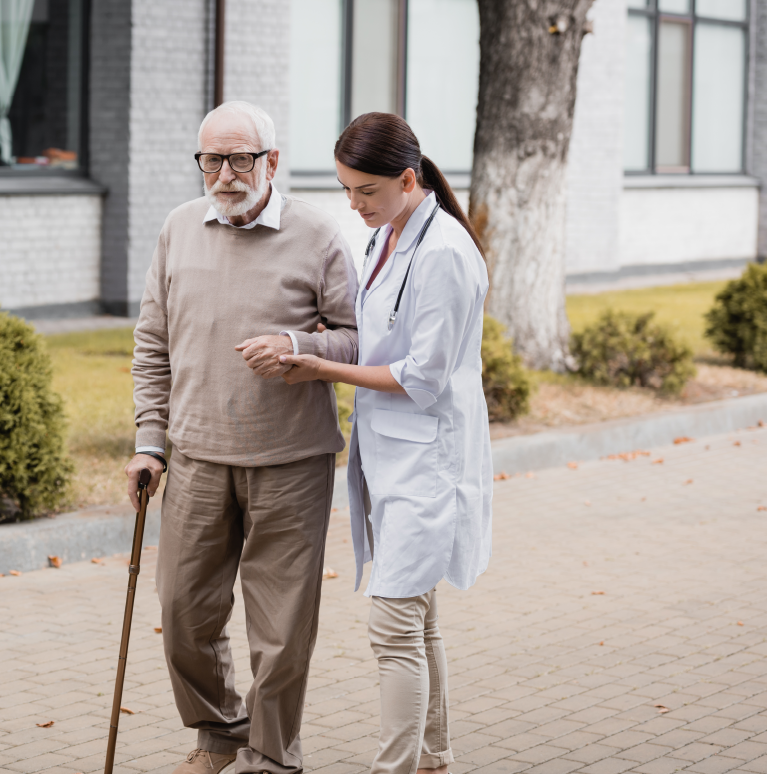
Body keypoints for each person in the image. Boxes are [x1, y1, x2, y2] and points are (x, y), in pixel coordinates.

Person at [125, 101, 360, 774]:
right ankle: (219, 732)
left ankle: (272, 755)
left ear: (271, 162)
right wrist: (150, 440)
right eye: (211, 160)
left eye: (240, 159)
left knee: (281, 631)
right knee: (184, 616)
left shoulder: (317, 234)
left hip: (291, 462)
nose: (225, 175)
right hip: (196, 456)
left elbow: (357, 337)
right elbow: (152, 345)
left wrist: (297, 344)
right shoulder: (177, 229)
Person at [279, 112, 494, 774]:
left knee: (393, 626)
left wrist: (320, 368)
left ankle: (394, 767)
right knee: (417, 622)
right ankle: (433, 758)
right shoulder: (387, 237)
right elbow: (383, 334)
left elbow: (423, 377)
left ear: (408, 179)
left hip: (429, 464)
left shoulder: (446, 254)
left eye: (365, 191)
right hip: (392, 457)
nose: (353, 204)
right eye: (345, 189)